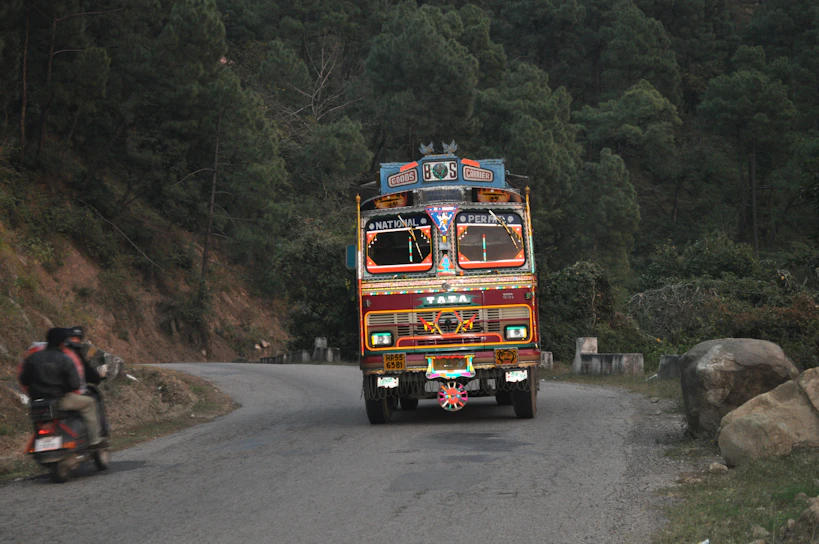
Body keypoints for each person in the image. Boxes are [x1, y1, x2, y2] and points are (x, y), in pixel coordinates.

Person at [19, 328, 104, 447]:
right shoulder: (65, 359)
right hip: (60, 401)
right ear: (62, 343)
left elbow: (24, 379)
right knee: (90, 403)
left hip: (37, 404)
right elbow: (75, 384)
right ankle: (96, 442)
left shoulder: (33, 357)